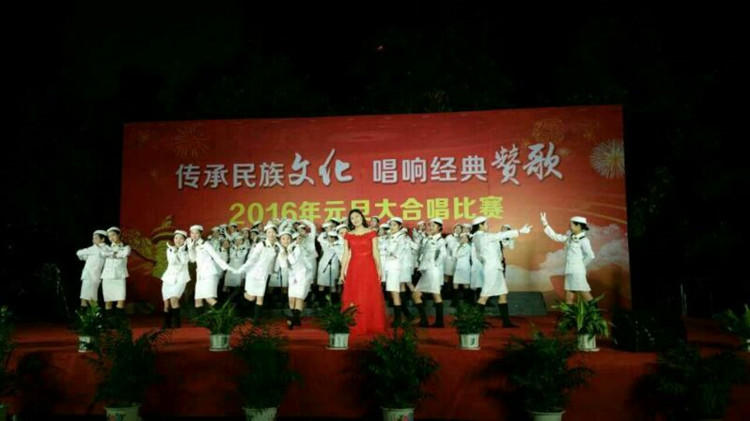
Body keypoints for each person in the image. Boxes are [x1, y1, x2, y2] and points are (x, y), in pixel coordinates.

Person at [471, 216, 532, 327]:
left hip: (495, 267)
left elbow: (486, 251)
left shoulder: (481, 237)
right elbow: (499, 235)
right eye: (486, 223)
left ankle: (506, 322)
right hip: (492, 269)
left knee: (503, 294)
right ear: (480, 225)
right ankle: (475, 322)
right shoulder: (481, 236)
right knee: (484, 296)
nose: (488, 225)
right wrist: (519, 231)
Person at [339, 209, 387, 335]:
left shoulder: (371, 233)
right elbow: (345, 254)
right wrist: (342, 271)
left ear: (362, 217)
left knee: (369, 294)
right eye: (352, 218)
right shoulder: (348, 235)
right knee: (355, 294)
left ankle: (371, 324)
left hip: (369, 266)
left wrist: (379, 269)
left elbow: (376, 252)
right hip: (354, 268)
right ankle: (356, 324)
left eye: (357, 216)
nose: (355, 219)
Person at [540, 213, 596, 304]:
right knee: (569, 295)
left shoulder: (584, 240)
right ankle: (568, 313)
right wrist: (545, 224)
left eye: (571, 225)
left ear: (578, 226)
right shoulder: (570, 238)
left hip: (577, 272)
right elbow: (555, 236)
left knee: (585, 293)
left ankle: (594, 312)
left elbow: (590, 255)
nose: (569, 226)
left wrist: (580, 266)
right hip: (569, 270)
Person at [229, 223, 280, 320]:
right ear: (266, 234)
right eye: (269, 232)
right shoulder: (261, 245)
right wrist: (241, 270)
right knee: (251, 297)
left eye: (273, 232)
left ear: (276, 233)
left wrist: (273, 272)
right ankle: (233, 305)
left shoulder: (276, 247)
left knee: (260, 297)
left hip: (264, 275)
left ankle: (256, 322)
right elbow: (251, 260)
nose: (271, 234)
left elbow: (274, 261)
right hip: (254, 274)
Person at [187, 225, 229, 311]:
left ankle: (225, 313)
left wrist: (227, 268)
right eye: (192, 233)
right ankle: (201, 319)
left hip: (209, 273)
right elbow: (192, 259)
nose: (194, 235)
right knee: (198, 301)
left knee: (209, 299)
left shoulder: (205, 244)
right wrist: (190, 248)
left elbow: (216, 257)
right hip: (200, 275)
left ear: (200, 234)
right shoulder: (192, 245)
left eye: (196, 233)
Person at [160, 230, 191, 328]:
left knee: (174, 299)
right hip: (168, 278)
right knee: (166, 303)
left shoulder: (187, 251)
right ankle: (166, 324)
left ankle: (176, 324)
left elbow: (183, 261)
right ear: (173, 239)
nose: (178, 240)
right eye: (176, 238)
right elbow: (172, 262)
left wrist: (180, 250)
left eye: (181, 238)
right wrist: (174, 251)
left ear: (184, 240)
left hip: (180, 279)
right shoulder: (169, 250)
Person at [101, 227, 131, 314]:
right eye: (109, 236)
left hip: (119, 276)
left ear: (119, 234)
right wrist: (115, 254)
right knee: (108, 301)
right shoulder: (106, 247)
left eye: (113, 235)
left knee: (121, 299)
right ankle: (109, 320)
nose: (111, 238)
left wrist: (112, 254)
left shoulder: (126, 247)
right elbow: (103, 253)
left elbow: (124, 254)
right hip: (107, 277)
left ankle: (119, 320)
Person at [76, 229, 109, 307]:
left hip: (93, 276)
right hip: (87, 275)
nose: (93, 240)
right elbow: (80, 254)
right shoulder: (93, 248)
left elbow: (80, 252)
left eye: (96, 238)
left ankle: (96, 313)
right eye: (93, 238)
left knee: (91, 297)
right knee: (84, 297)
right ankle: (84, 313)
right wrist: (85, 256)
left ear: (103, 239)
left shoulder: (104, 248)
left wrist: (86, 254)